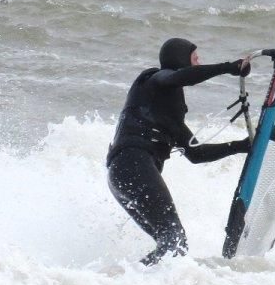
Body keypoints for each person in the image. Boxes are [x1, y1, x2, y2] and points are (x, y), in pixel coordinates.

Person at [107, 38, 252, 265]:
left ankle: (129, 284)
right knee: (174, 241)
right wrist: (228, 67)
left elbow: (196, 153)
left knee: (171, 242)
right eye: (194, 59)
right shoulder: (155, 79)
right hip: (132, 163)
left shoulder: (167, 116)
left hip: (122, 173)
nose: (197, 65)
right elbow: (178, 77)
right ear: (180, 61)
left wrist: (240, 146)